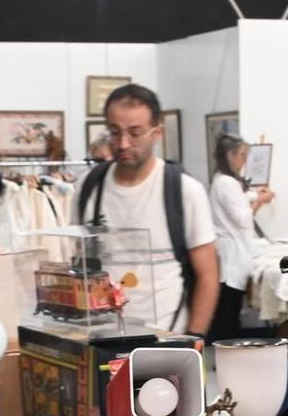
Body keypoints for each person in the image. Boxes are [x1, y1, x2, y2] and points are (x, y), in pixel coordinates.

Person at [74, 83, 218, 335]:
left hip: (167, 336)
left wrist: (194, 338)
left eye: (135, 133)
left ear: (157, 133)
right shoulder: (87, 187)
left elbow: (208, 274)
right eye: (114, 132)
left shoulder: (184, 190)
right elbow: (78, 263)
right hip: (100, 337)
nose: (123, 143)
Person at [208, 133, 271, 339]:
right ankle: (227, 350)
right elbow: (243, 218)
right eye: (242, 155)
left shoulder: (222, 180)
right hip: (232, 255)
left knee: (227, 306)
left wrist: (255, 195)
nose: (244, 161)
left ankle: (224, 349)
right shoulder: (227, 183)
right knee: (230, 309)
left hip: (231, 253)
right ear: (229, 156)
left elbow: (239, 200)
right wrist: (260, 202)